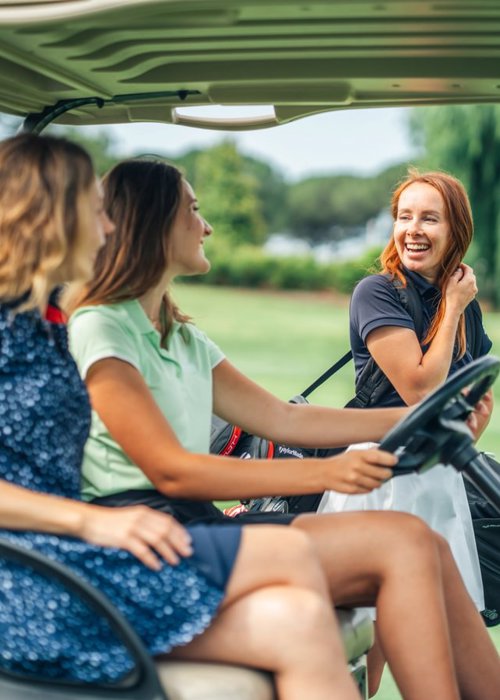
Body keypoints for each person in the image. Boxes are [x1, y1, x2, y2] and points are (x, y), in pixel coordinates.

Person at [67, 157, 500, 699]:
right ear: (153, 223)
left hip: (195, 525)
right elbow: (171, 472)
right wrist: (334, 471)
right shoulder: (102, 327)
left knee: (421, 542)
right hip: (148, 533)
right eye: (194, 212)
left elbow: (285, 418)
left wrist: (424, 419)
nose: (208, 226)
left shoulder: (182, 338)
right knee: (403, 545)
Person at [0, 133, 378, 700]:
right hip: (33, 577)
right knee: (294, 552)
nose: (107, 230)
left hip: (74, 556)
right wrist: (92, 522)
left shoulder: (48, 325)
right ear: (47, 215)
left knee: (298, 618)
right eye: (94, 212)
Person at [317, 168, 494, 692]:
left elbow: (463, 401)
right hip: (378, 474)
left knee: (438, 630)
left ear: (455, 229)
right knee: (367, 639)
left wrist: (472, 426)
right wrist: (454, 306)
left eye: (429, 218)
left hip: (436, 477)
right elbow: (419, 387)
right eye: (404, 216)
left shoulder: (468, 308)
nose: (412, 229)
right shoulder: (377, 293)